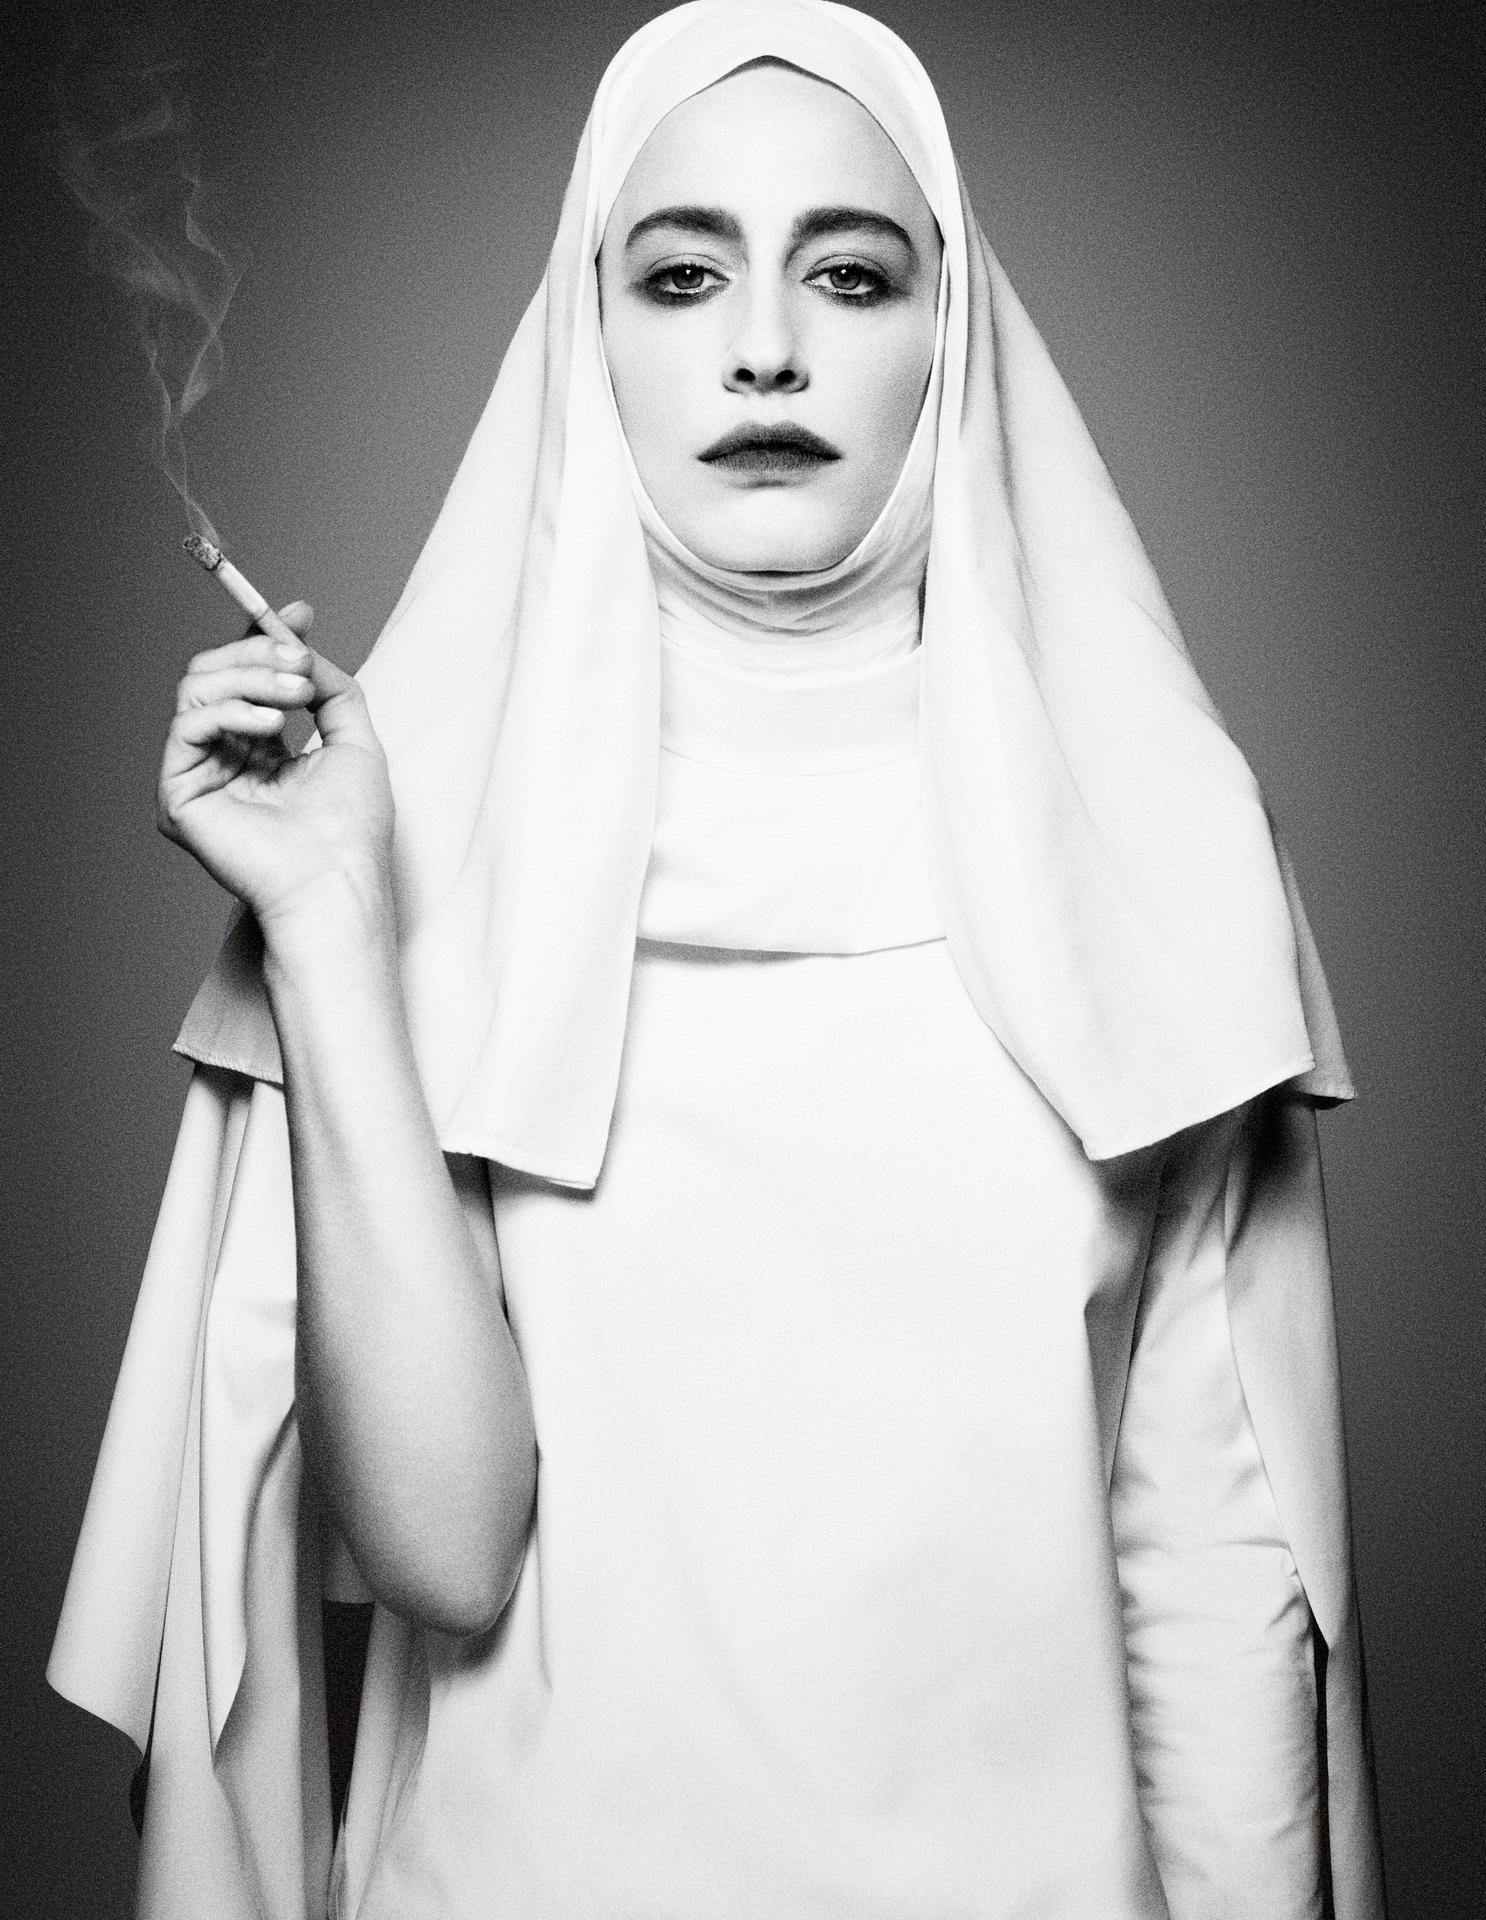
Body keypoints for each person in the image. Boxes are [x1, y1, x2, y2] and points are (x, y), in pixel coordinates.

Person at [49, 3, 1386, 1916]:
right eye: (681, 276)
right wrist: (331, 928)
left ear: (952, 336)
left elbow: (1213, 1587)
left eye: (850, 274)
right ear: (586, 340)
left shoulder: (1155, 847)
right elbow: (440, 1554)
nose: (765, 344)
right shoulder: (427, 844)